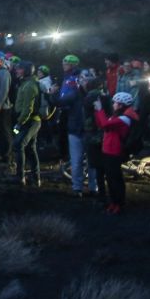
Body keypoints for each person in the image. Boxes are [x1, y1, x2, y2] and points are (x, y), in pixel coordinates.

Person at [95, 91, 139, 214]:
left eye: (115, 103)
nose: (113, 104)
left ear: (121, 105)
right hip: (108, 150)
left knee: (115, 179)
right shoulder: (118, 116)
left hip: (114, 151)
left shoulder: (124, 118)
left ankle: (118, 203)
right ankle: (114, 202)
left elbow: (104, 123)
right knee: (111, 178)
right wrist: (98, 112)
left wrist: (99, 110)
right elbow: (103, 125)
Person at [55, 55, 93, 197]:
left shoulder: (94, 95)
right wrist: (53, 96)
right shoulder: (73, 90)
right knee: (76, 161)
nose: (83, 81)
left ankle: (93, 187)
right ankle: (77, 187)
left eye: (86, 79)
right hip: (74, 127)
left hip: (88, 131)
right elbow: (60, 101)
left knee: (91, 162)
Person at [10, 61, 42, 187]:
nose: (17, 71)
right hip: (30, 120)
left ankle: (20, 177)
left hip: (30, 121)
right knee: (31, 148)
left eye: (20, 69)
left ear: (27, 71)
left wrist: (19, 123)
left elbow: (27, 108)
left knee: (19, 145)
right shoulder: (26, 83)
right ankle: (36, 178)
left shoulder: (29, 85)